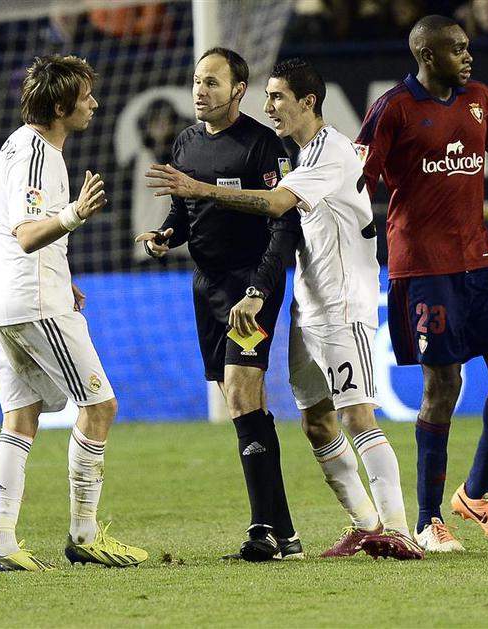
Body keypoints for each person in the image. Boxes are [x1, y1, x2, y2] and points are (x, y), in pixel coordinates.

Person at [146, 57, 424, 561]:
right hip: (307, 306)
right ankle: (365, 525)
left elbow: (276, 207)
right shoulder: (303, 154)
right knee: (316, 421)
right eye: (268, 96)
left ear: (308, 102)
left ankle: (399, 530)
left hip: (342, 305)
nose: (269, 106)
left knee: (357, 416)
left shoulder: (330, 152)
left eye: (277, 97)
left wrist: (199, 190)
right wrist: (172, 226)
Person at [0, 54, 148, 571]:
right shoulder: (39, 155)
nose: (94, 103)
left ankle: (4, 545)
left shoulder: (17, 145)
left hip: (2, 301)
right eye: (85, 97)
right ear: (58, 107)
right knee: (100, 406)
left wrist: (59, 270)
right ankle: (84, 536)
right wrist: (75, 214)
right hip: (34, 304)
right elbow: (28, 233)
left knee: (20, 419)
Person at [356, 14, 488, 552]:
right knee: (442, 387)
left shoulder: (481, 100)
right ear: (427, 55)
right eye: (457, 49)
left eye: (468, 48)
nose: (468, 57)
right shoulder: (394, 108)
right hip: (424, 270)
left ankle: (476, 494)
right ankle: (428, 520)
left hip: (481, 264)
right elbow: (358, 181)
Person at [135, 48, 303, 562]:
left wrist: (259, 291)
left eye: (212, 82)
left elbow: (283, 226)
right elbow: (183, 214)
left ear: (238, 90)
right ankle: (285, 535)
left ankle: (262, 530)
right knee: (244, 402)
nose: (200, 91)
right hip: (207, 288)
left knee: (241, 393)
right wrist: (166, 235)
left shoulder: (264, 146)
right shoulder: (186, 142)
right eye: (196, 81)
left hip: (251, 287)